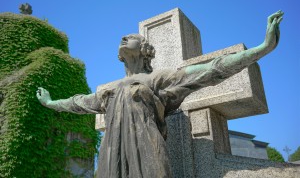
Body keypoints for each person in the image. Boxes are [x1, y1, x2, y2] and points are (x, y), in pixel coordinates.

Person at [37, 11, 283, 178]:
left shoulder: (158, 79)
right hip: (114, 155)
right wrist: (50, 103)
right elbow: (77, 103)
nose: (123, 38)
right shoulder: (109, 92)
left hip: (148, 151)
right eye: (122, 39)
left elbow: (211, 70)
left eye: (131, 38)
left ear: (144, 50)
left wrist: (262, 48)